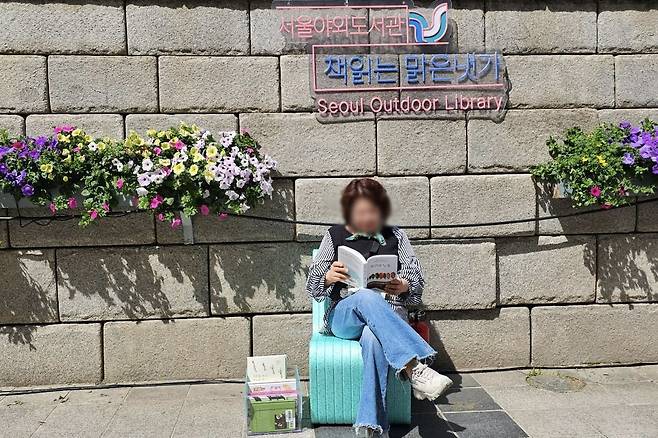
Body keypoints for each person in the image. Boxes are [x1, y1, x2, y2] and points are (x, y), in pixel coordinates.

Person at [306, 178, 453, 438]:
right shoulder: (334, 235)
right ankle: (414, 367)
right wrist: (329, 276)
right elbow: (313, 287)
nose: (368, 218)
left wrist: (404, 285)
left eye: (373, 211)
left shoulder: (396, 235)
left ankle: (370, 427)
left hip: (386, 315)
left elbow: (416, 281)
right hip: (345, 317)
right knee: (365, 297)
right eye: (361, 212)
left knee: (374, 338)